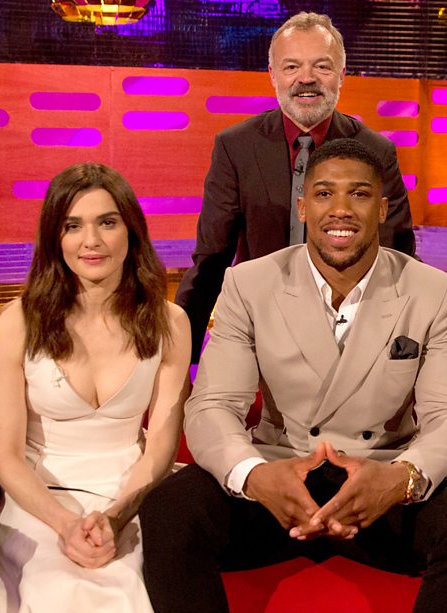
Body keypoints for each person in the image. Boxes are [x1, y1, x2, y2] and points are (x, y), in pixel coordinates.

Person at [140, 138, 447, 613]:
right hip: (280, 476)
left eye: (360, 194)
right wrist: (253, 475)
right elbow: (214, 404)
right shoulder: (249, 283)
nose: (341, 209)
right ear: (303, 207)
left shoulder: (432, 291)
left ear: (383, 208)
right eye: (325, 193)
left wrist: (401, 479)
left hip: (380, 482)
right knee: (170, 511)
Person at [0, 163, 190, 613]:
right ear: (54, 237)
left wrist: (117, 517)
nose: (92, 241)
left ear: (131, 229)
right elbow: (5, 456)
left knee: (123, 586)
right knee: (59, 587)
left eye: (107, 222)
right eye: (73, 225)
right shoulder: (16, 323)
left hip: (133, 494)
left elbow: (161, 446)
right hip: (38, 499)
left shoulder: (170, 321)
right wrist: (64, 525)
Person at [174, 11, 415, 362]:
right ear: (272, 75)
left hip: (351, 341)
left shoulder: (376, 151)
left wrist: (406, 356)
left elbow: (398, 258)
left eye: (322, 66)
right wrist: (181, 356)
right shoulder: (235, 147)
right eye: (291, 67)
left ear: (341, 75)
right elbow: (211, 260)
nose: (306, 78)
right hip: (260, 336)